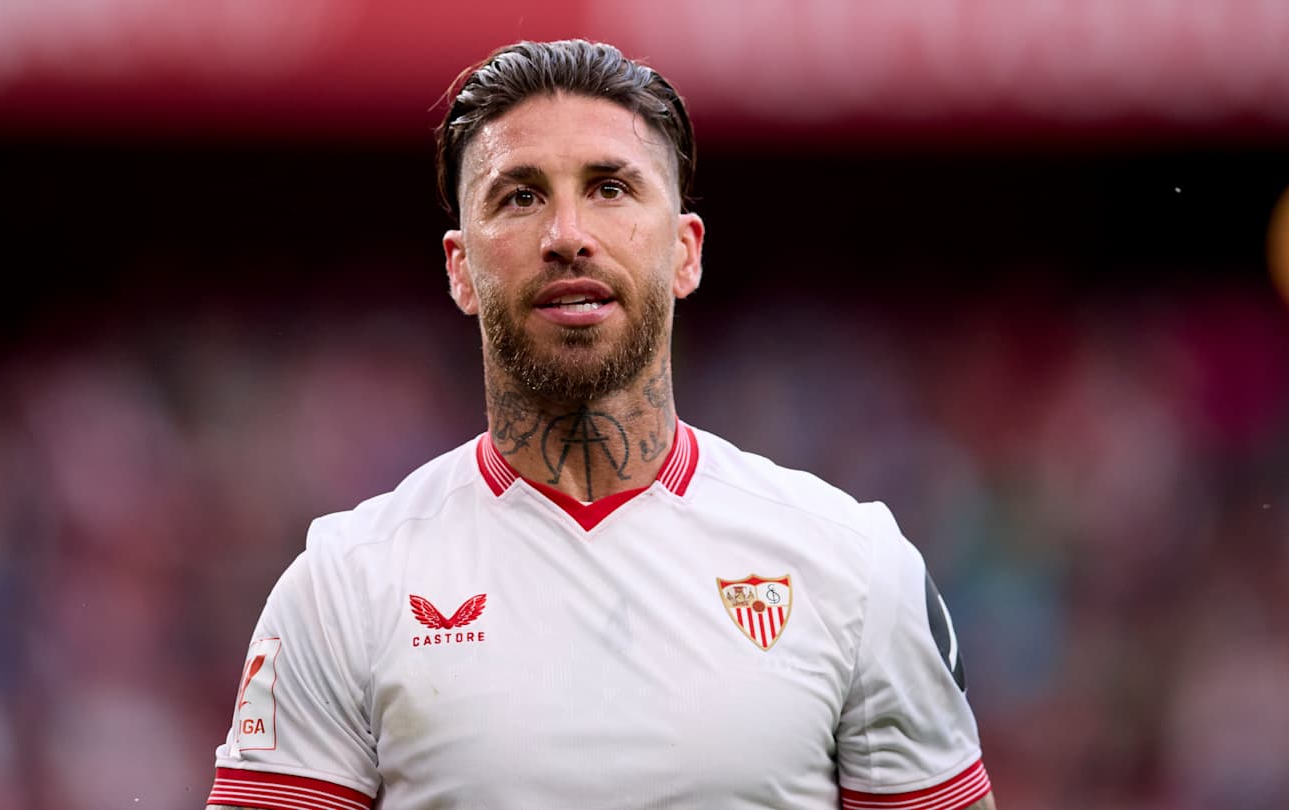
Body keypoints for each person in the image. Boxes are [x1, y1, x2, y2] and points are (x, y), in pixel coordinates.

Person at [206, 39, 997, 810]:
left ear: (685, 251)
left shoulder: (854, 566)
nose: (567, 236)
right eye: (520, 197)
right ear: (460, 268)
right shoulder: (345, 586)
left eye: (610, 188)